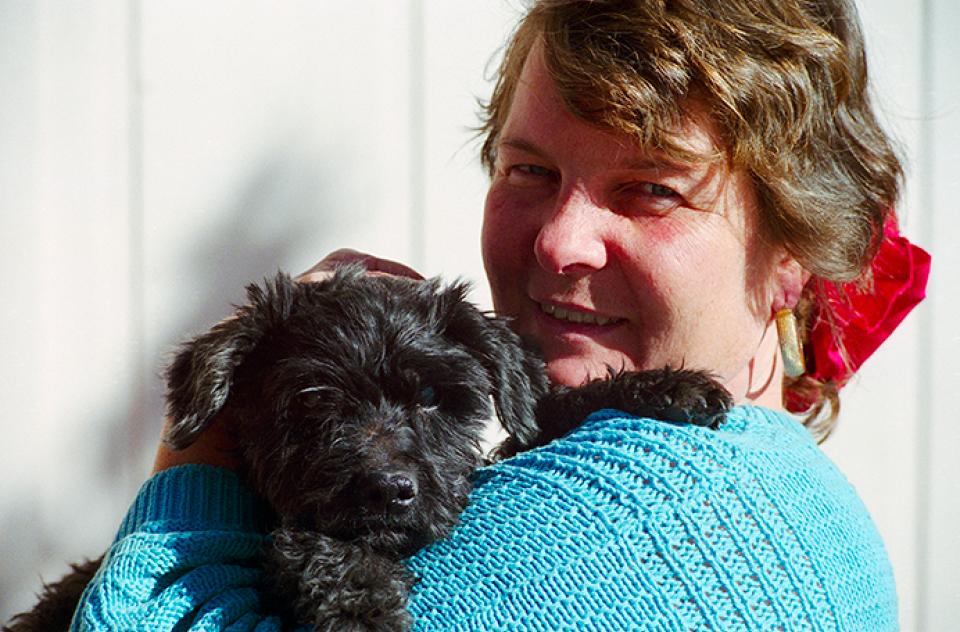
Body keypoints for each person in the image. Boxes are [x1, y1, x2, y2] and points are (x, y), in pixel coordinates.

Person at [70, 0, 930, 630]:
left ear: (794, 259)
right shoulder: (806, 496)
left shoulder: (620, 526)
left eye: (653, 189)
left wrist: (193, 459)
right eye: (529, 170)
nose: (562, 243)